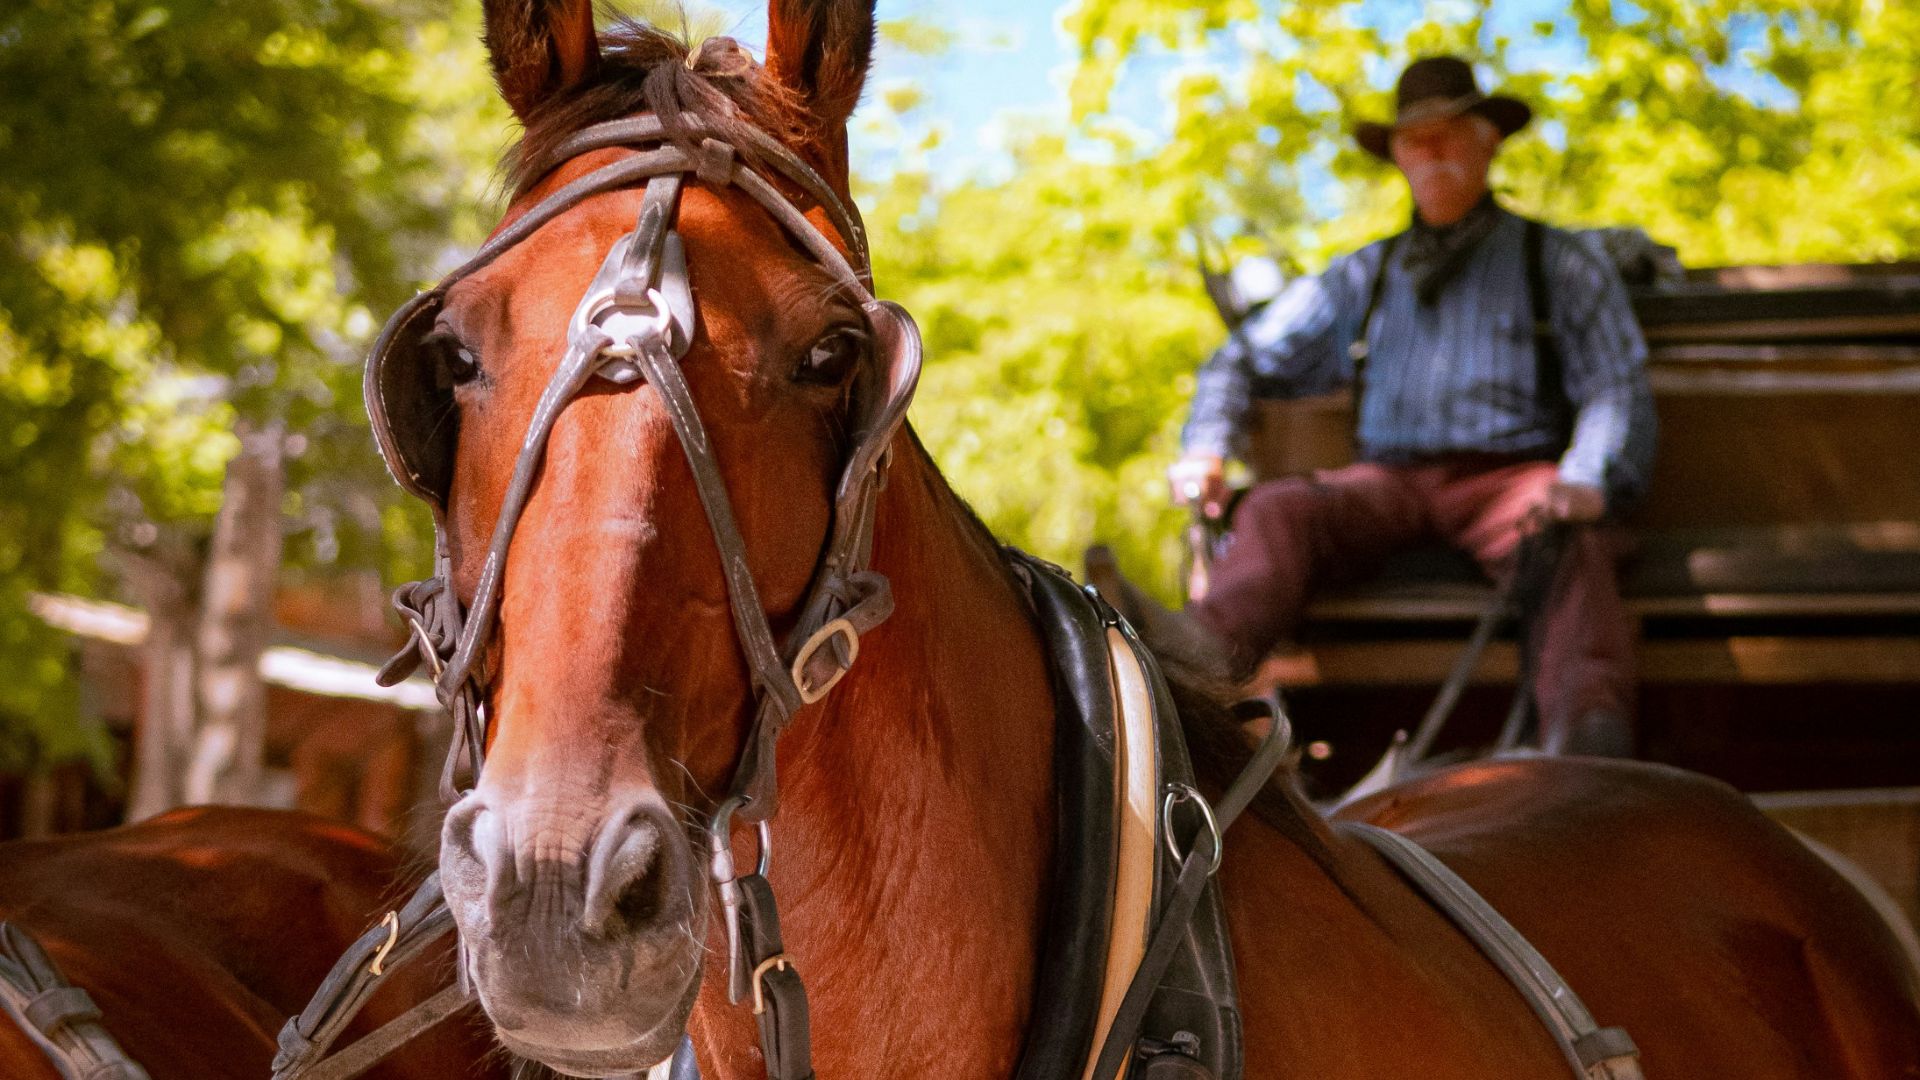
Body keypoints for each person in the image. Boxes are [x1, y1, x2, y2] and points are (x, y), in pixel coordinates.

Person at [1147, 56, 1656, 757]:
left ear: (1488, 142)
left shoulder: (1558, 262)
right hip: (1386, 481)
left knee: (1567, 542)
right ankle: (1176, 682)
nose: (1434, 152)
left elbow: (1614, 383)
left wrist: (1587, 477)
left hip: (1509, 481)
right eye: (1416, 139)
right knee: (1275, 511)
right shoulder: (1361, 274)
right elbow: (1241, 357)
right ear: (1397, 156)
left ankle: (1587, 748)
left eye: (1451, 133)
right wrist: (1205, 447)